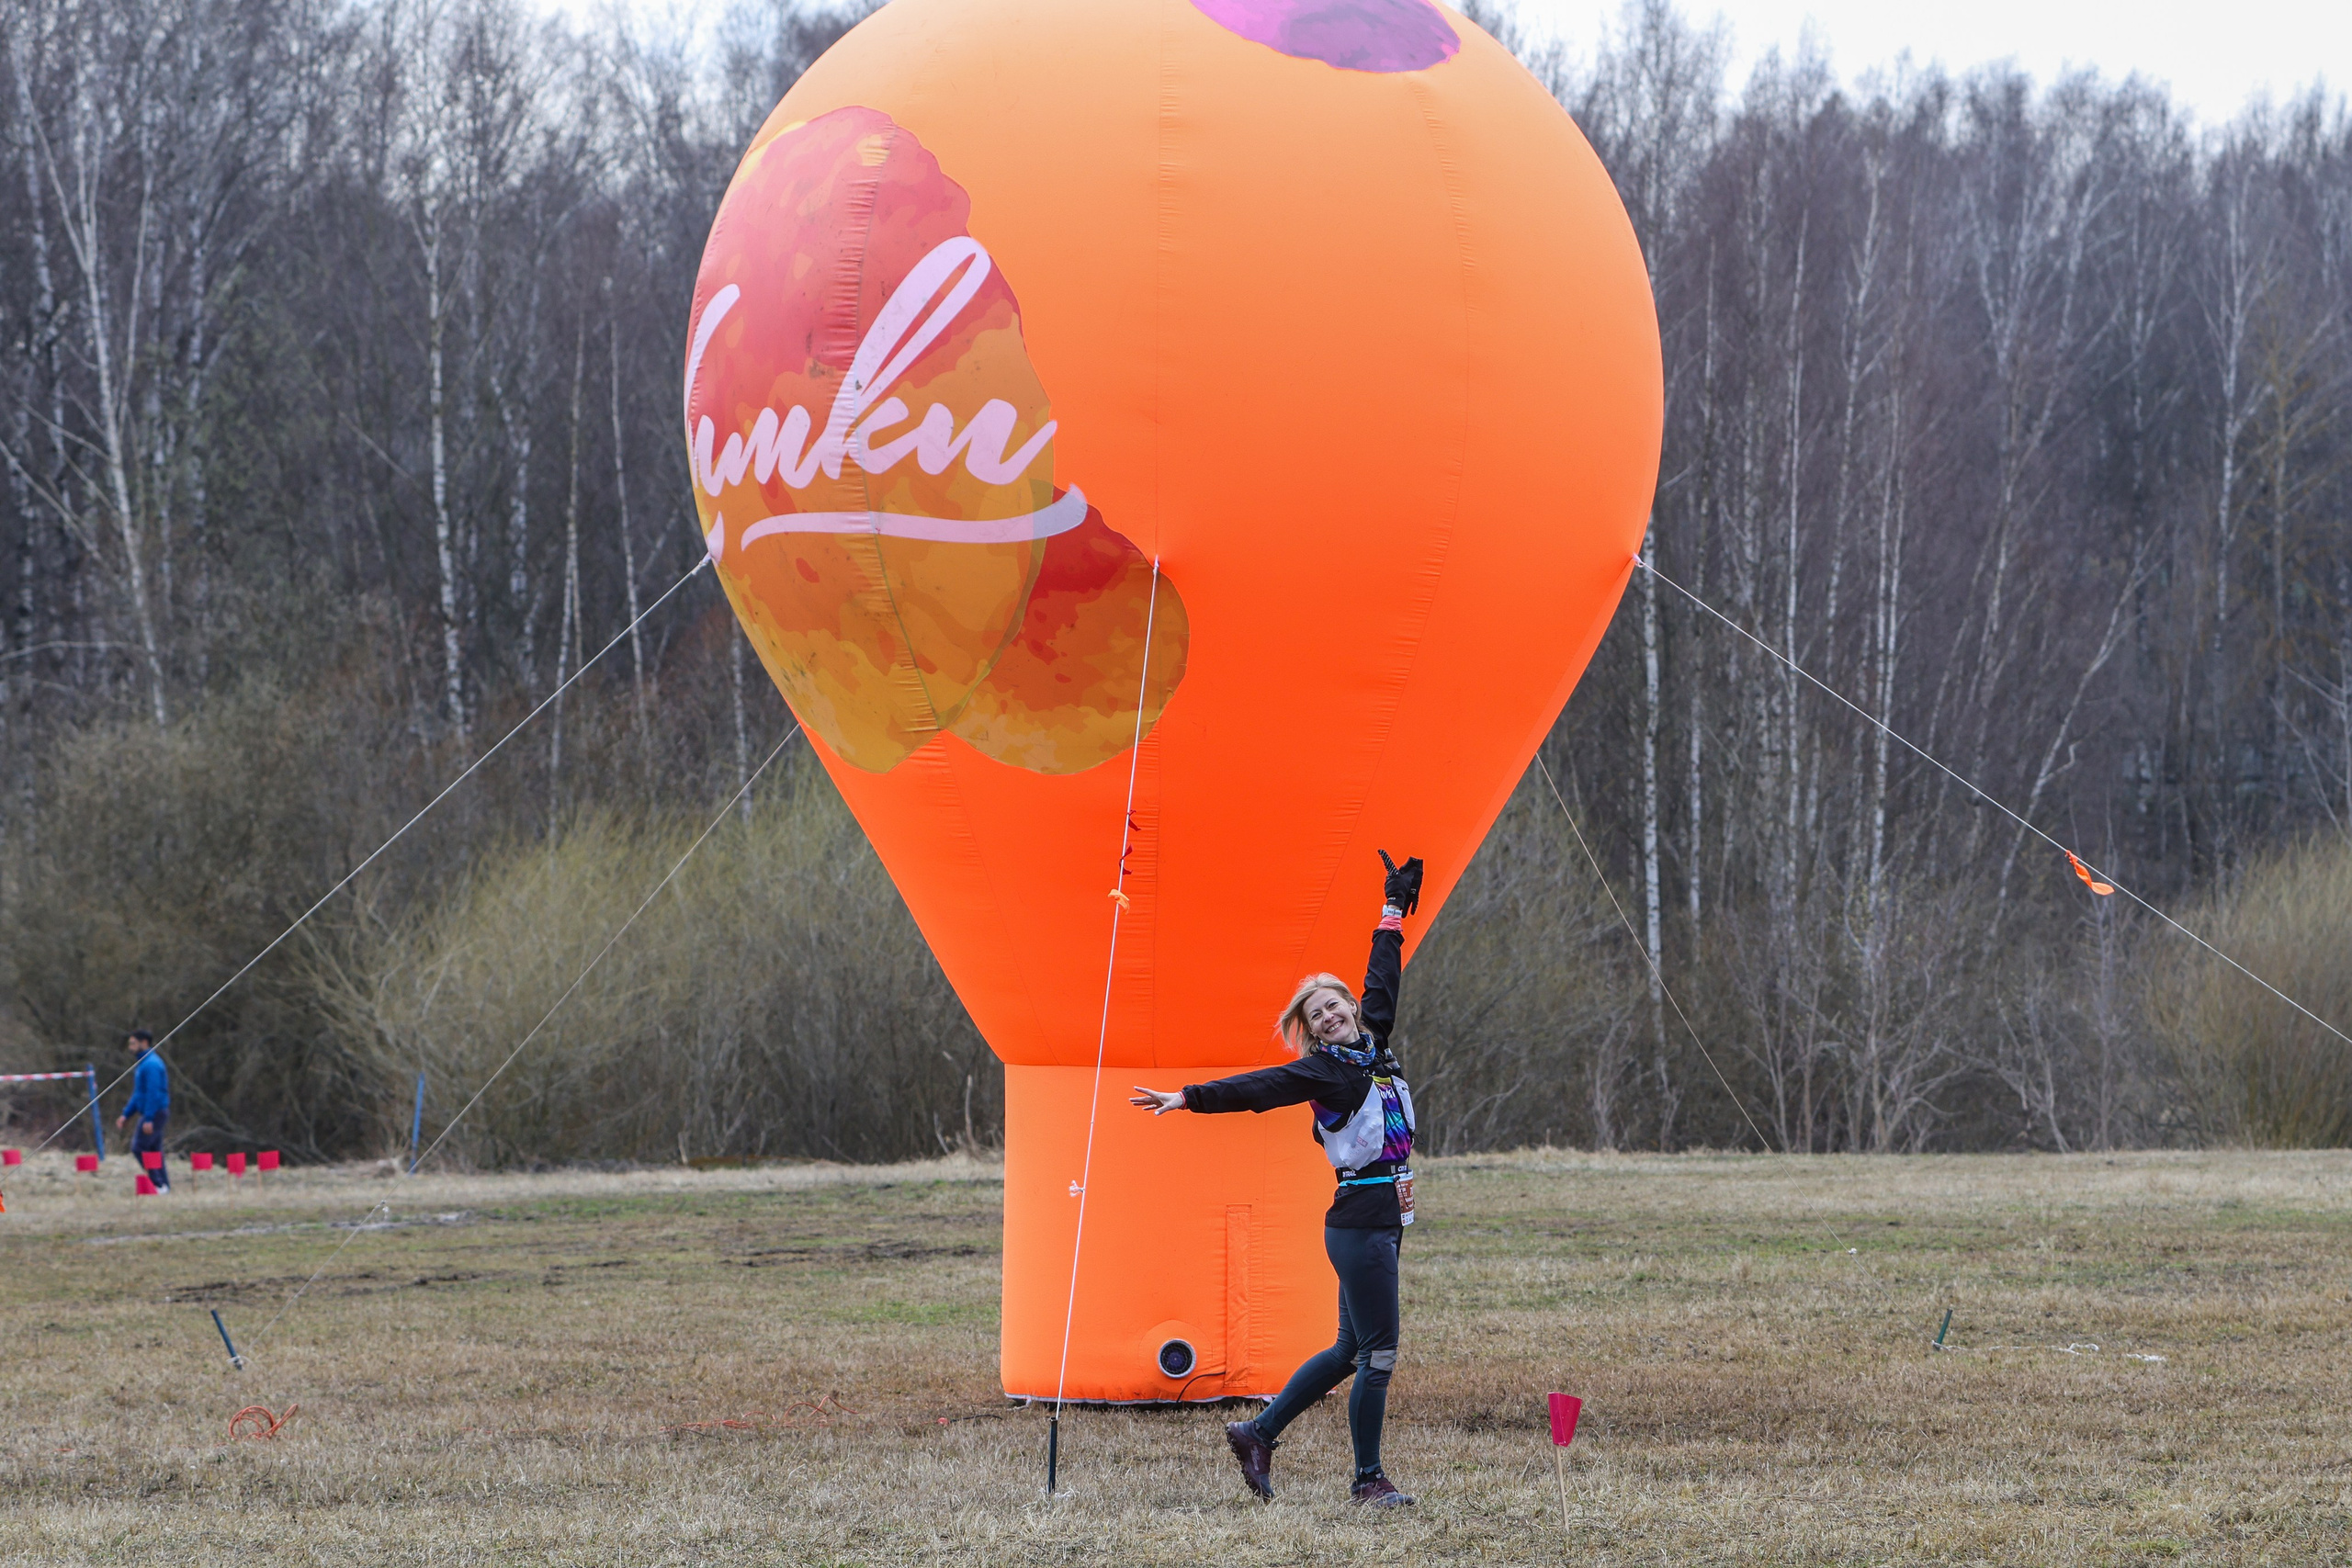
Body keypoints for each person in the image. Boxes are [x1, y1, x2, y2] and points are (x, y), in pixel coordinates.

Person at [1129, 849, 1425, 1508]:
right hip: (1359, 1225)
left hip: (1382, 1221)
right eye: (1314, 1014)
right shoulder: (1324, 1071)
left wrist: (1392, 909)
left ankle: (1257, 1431)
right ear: (1309, 1030)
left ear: (1350, 1008)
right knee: (1378, 1355)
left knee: (1351, 1349)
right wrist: (1187, 1096)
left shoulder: (1373, 1040)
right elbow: (1259, 1086)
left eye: (1333, 1005)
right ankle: (1368, 1480)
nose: (1328, 1016)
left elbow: (1383, 979)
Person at [117, 1029, 170, 1193]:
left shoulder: (152, 1065)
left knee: (139, 1147)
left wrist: (148, 1118)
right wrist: (126, 1114)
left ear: (144, 1043)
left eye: (133, 1043)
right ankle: (164, 1187)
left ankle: (158, 1184)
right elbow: (138, 1094)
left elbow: (153, 1093)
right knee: (154, 1151)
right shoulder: (143, 1065)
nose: (130, 1047)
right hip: (151, 1112)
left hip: (155, 1112)